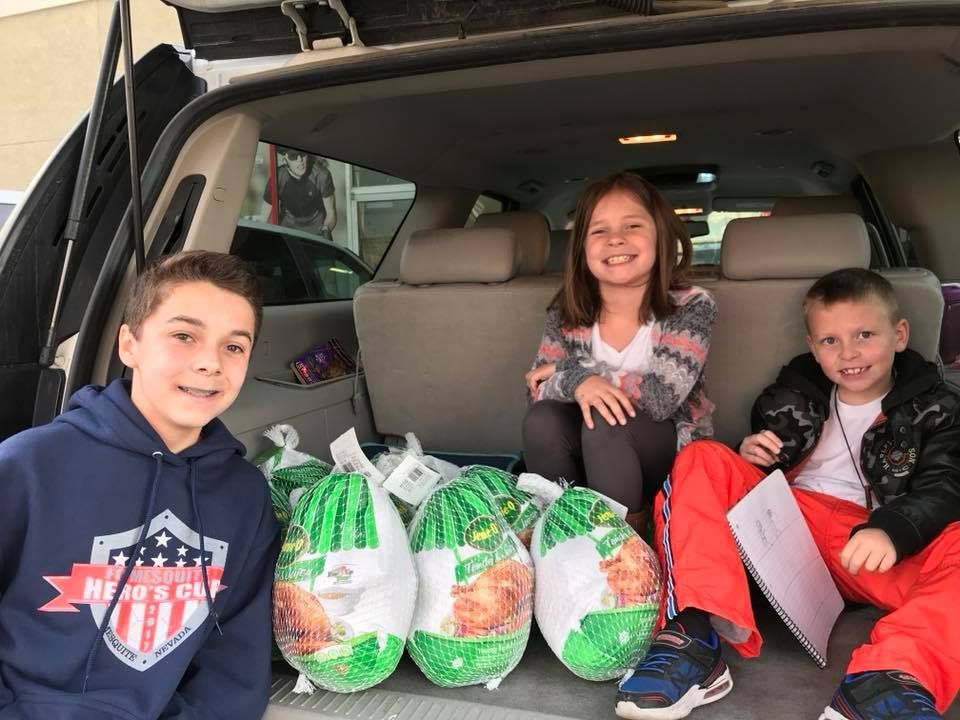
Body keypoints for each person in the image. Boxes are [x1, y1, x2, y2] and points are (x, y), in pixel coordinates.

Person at [616, 268, 960, 720]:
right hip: (787, 526)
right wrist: (752, 454)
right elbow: (758, 468)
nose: (849, 353)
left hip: (876, 543)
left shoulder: (938, 406)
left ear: (899, 335)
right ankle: (693, 636)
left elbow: (946, 485)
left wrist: (894, 529)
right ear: (813, 346)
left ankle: (887, 683)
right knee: (703, 459)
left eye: (864, 335)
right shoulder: (793, 396)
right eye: (830, 341)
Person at [0, 252, 280, 719]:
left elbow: (234, 664)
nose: (210, 363)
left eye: (234, 347)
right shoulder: (28, 467)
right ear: (129, 345)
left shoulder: (244, 496)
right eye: (183, 336)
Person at [522, 172, 717, 530]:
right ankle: (562, 530)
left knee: (606, 424)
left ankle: (625, 545)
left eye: (632, 226)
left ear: (661, 237)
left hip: (663, 452)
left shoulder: (690, 308)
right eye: (599, 231)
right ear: (581, 247)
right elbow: (536, 391)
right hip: (584, 450)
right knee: (542, 420)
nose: (615, 240)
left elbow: (660, 397)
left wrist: (577, 375)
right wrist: (578, 382)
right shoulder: (565, 313)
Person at [262, 146, 337, 239]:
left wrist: (326, 229)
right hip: (288, 230)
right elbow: (265, 216)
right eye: (293, 156)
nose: (300, 160)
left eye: (302, 154)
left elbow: (331, 213)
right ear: (285, 160)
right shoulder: (278, 176)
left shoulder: (322, 175)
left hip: (316, 231)